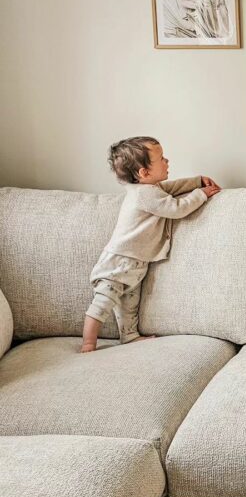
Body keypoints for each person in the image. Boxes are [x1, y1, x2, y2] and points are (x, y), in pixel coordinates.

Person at [80, 136, 220, 352]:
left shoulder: (149, 189)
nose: (167, 161)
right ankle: (88, 344)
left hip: (135, 263)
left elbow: (170, 188)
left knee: (129, 305)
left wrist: (196, 180)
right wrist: (200, 194)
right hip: (119, 261)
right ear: (144, 173)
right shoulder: (145, 194)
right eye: (162, 159)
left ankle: (130, 336)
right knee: (102, 304)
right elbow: (176, 208)